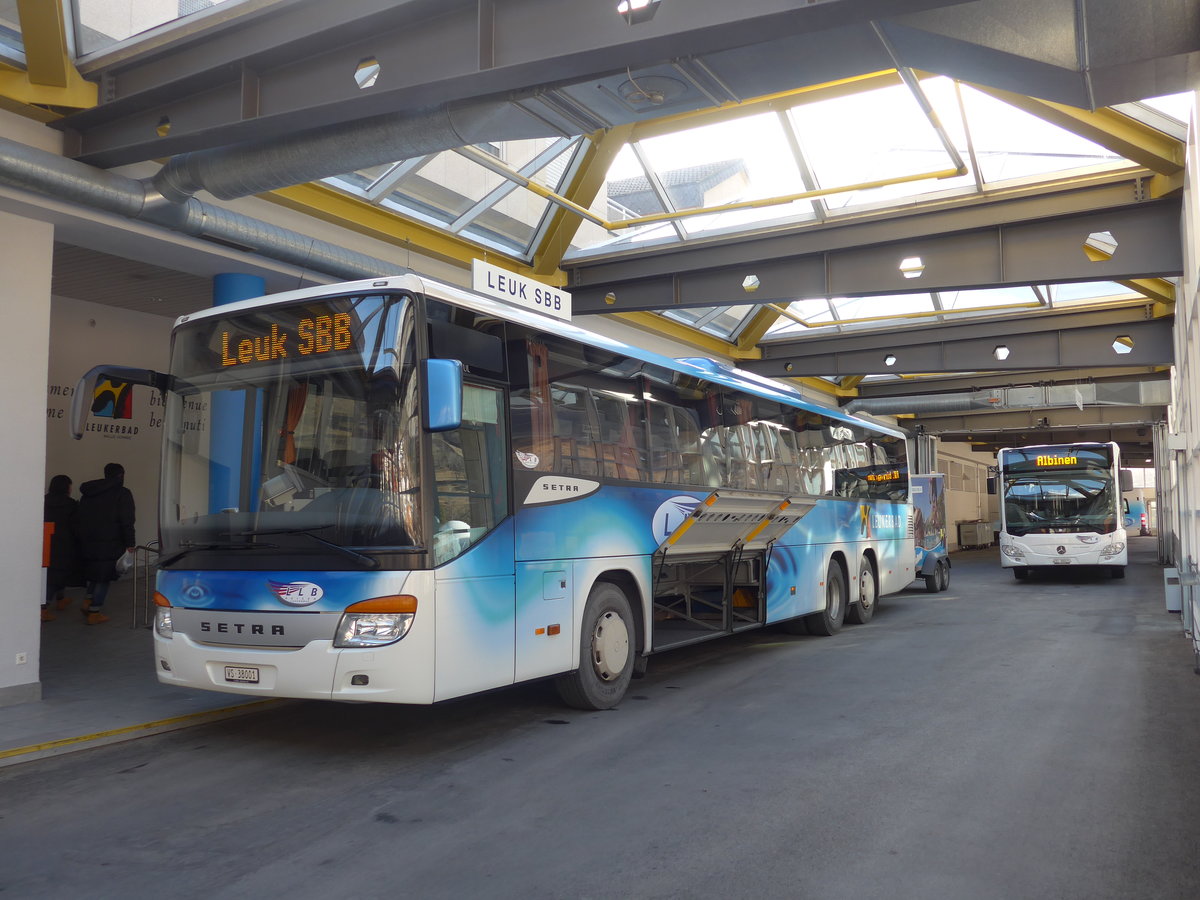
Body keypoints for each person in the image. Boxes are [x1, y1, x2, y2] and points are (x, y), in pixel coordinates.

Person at [75, 462, 136, 625]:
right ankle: (94, 612)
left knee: (96, 572)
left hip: (89, 540)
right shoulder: (122, 493)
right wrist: (130, 543)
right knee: (104, 576)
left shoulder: (88, 493)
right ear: (121, 475)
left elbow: (80, 517)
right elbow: (127, 521)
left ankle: (88, 601)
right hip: (111, 541)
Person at [41, 474, 82, 623]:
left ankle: (61, 599)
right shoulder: (71, 504)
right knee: (57, 576)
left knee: (51, 574)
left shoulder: (42, 500)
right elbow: (76, 526)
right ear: (67, 488)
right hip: (64, 544)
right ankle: (43, 609)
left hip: (45, 542)